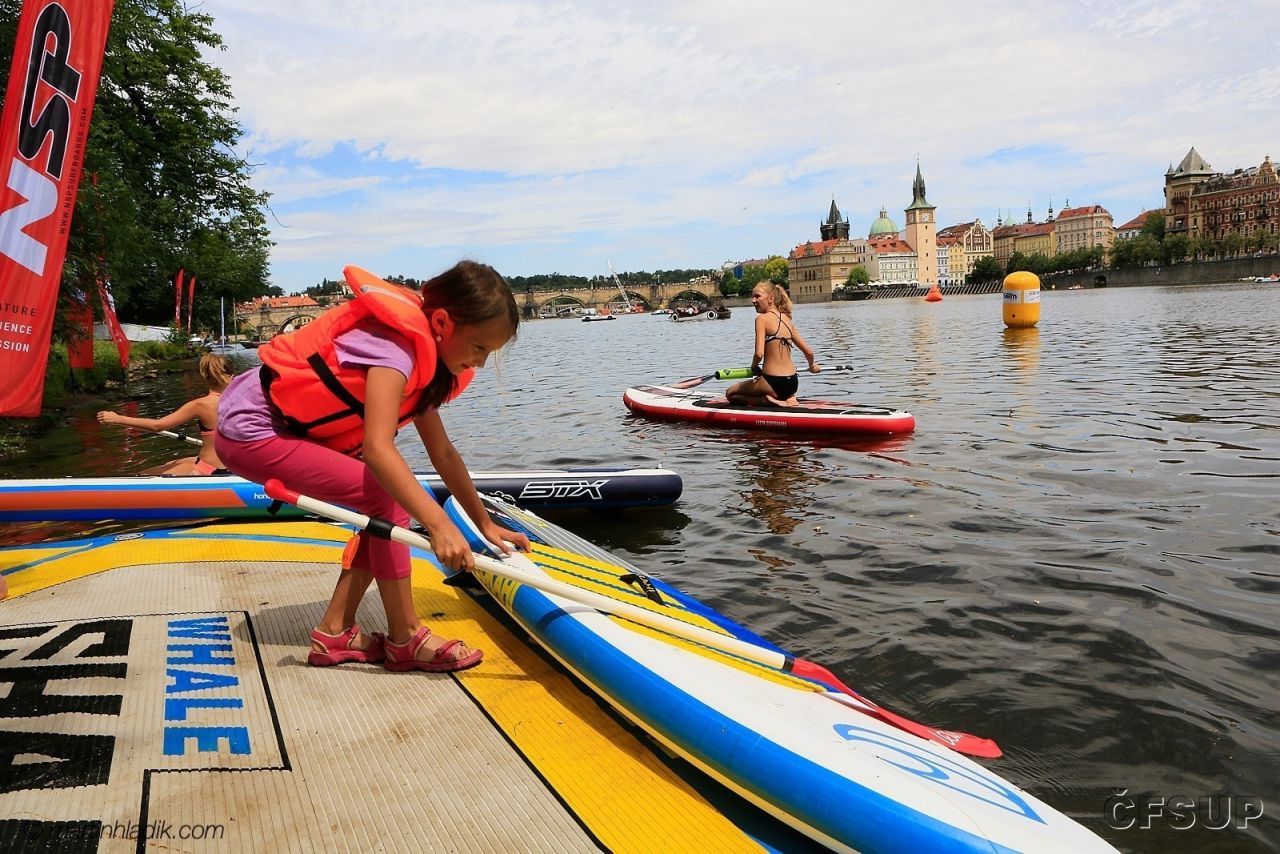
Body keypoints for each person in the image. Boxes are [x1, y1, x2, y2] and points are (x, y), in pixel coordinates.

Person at [214, 262, 529, 673]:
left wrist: (483, 523)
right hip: (253, 428)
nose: (481, 363)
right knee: (385, 496)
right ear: (441, 322)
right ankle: (406, 637)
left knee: (380, 502)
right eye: (479, 348)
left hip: (288, 428)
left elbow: (444, 452)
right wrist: (437, 524)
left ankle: (334, 631)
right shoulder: (393, 349)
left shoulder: (429, 361)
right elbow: (378, 449)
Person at [97, 353, 234, 475]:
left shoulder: (200, 405)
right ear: (232, 377)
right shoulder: (241, 402)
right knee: (173, 462)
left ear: (204, 377)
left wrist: (117, 418)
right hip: (234, 466)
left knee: (142, 474)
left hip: (210, 469)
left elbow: (158, 426)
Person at [725, 280, 821, 407]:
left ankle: (765, 400)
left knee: (730, 394)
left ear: (771, 298)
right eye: (752, 296)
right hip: (792, 383)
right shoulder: (787, 319)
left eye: (757, 296)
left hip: (771, 382)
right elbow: (808, 351)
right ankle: (789, 398)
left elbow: (759, 354)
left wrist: (754, 366)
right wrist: (812, 365)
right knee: (780, 390)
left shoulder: (761, 319)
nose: (753, 300)